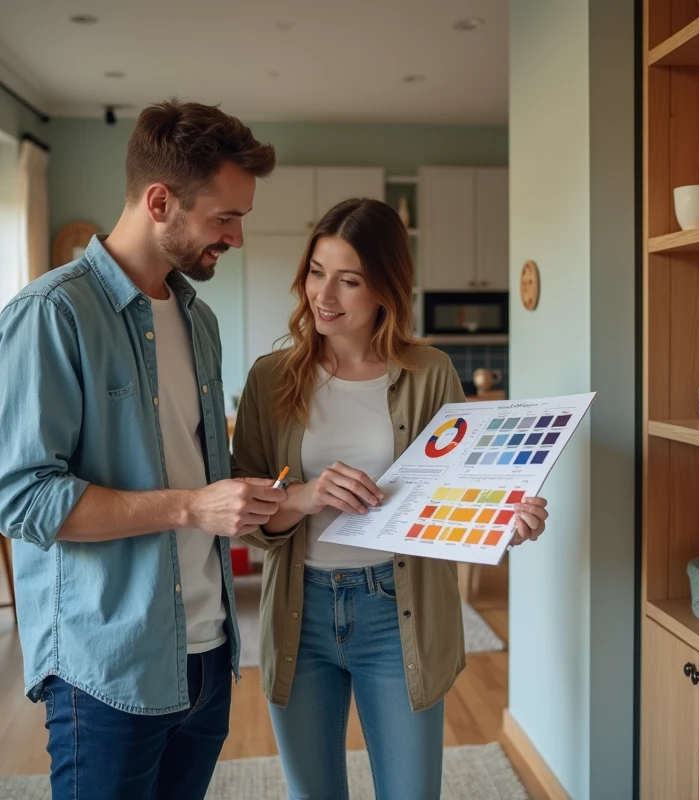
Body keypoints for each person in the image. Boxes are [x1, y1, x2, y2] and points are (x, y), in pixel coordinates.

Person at [0, 100, 286, 800]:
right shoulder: (52, 315)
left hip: (210, 654)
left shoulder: (198, 319)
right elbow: (25, 499)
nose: (237, 238)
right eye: (224, 217)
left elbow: (205, 475)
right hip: (107, 667)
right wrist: (189, 508)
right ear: (160, 201)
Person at [231, 197, 550, 800]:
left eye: (348, 280)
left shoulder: (430, 373)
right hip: (300, 614)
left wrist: (503, 520)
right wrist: (301, 495)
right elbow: (244, 507)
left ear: (385, 288)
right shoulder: (270, 378)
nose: (323, 293)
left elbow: (457, 491)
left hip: (395, 612)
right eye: (316, 272)